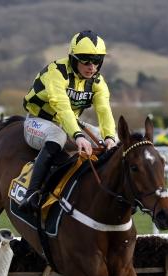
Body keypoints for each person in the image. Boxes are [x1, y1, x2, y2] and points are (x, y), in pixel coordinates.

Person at [19, 30, 117, 211]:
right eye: (85, 60)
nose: (91, 66)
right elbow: (62, 107)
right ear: (73, 59)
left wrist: (109, 137)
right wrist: (78, 135)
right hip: (39, 121)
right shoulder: (56, 72)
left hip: (69, 124)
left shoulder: (98, 81)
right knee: (57, 136)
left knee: (115, 143)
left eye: (96, 60)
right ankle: (31, 194)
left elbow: (104, 111)